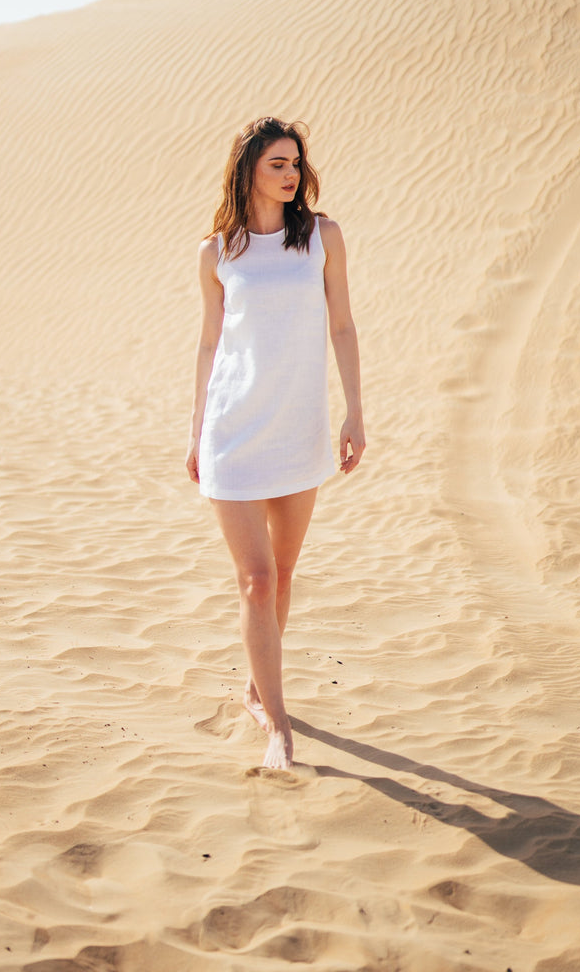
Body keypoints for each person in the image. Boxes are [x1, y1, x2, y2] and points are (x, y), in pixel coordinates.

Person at [186, 117, 365, 770]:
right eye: (277, 165)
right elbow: (210, 344)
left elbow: (342, 325)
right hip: (233, 431)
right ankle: (279, 729)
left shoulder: (322, 237)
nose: (291, 175)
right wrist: (194, 429)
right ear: (248, 172)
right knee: (256, 580)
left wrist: (354, 413)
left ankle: (258, 692)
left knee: (283, 575)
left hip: (298, 429)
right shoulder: (217, 253)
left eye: (296, 163)